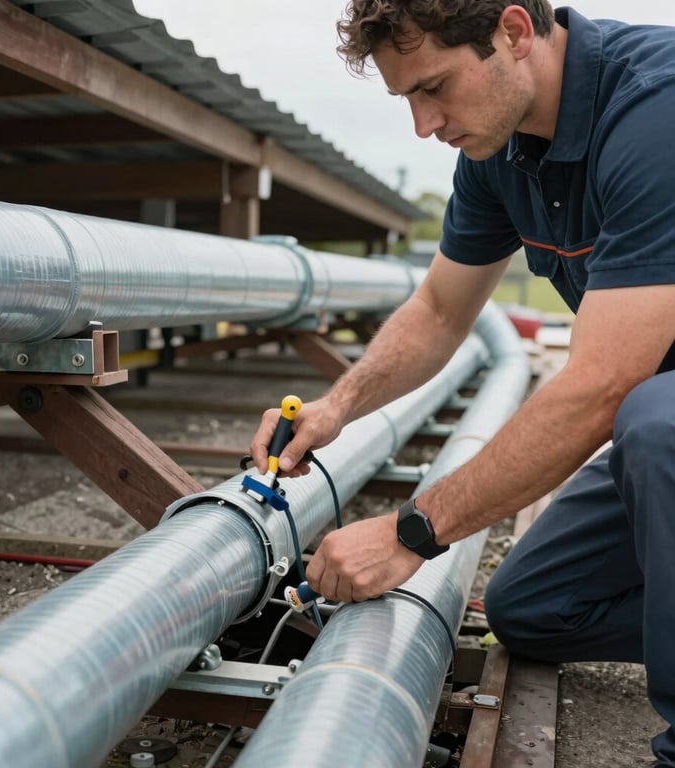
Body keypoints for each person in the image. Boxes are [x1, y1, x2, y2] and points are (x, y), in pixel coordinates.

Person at [249, 1, 675, 764]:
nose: (423, 123)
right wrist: (336, 406)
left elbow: (603, 386)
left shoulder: (656, 109)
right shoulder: (498, 152)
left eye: (435, 87)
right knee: (535, 607)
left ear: (514, 31)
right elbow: (442, 309)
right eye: (406, 98)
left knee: (651, 420)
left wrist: (412, 532)